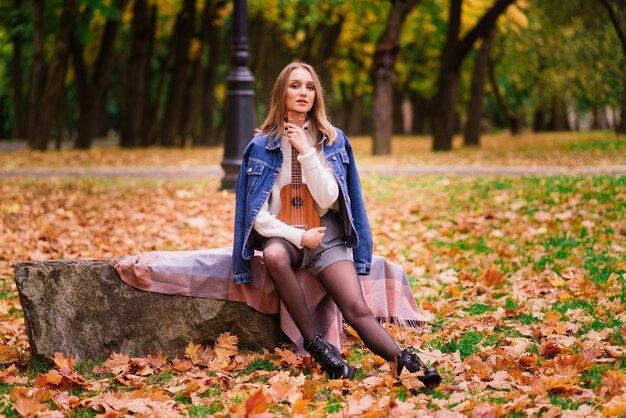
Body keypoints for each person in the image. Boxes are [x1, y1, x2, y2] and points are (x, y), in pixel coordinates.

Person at [232, 62, 440, 387]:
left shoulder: (331, 139)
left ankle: (405, 363)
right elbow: (256, 217)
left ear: (317, 95)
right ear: (281, 92)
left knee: (357, 307)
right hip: (285, 236)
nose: (303, 93)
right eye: (295, 85)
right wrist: (299, 238)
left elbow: (329, 199)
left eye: (310, 87)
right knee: (273, 256)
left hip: (326, 234)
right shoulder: (260, 147)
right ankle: (318, 345)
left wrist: (305, 151)